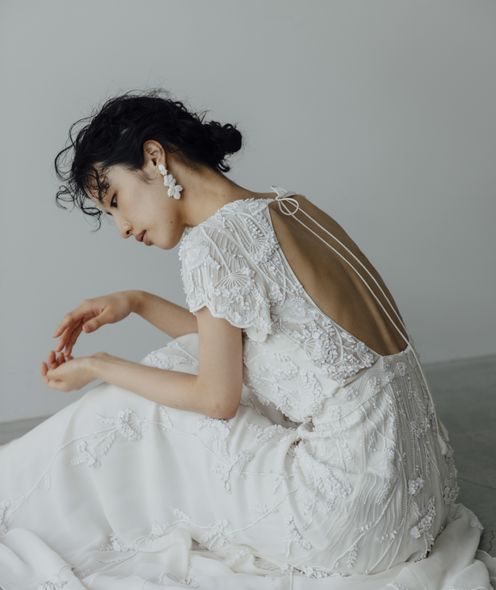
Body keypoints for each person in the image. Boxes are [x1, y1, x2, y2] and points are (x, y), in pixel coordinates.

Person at [0, 88, 495, 589]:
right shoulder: (290, 207)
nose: (123, 228)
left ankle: (14, 495)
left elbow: (216, 399)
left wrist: (98, 366)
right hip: (420, 495)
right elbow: (245, 344)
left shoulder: (212, 244)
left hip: (345, 514)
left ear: (154, 156)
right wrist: (137, 302)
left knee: (138, 398)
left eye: (115, 201)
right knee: (180, 362)